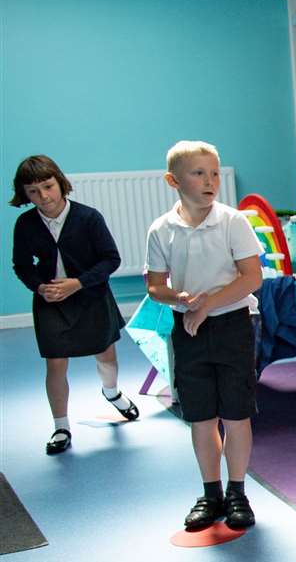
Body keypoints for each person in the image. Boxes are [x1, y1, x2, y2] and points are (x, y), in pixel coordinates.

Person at [143, 142, 264, 533]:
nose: (210, 181)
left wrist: (206, 304)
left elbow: (251, 278)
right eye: (198, 173)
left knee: (236, 413)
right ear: (173, 181)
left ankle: (237, 491)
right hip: (189, 329)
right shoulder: (161, 230)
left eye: (214, 173)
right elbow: (155, 287)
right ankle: (210, 494)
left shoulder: (232, 222)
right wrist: (180, 299)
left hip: (232, 325)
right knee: (201, 416)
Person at [10, 154, 141, 455]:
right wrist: (39, 287)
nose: (43, 196)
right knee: (55, 364)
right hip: (51, 302)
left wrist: (78, 283)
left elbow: (111, 259)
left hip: (91, 296)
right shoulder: (25, 224)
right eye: (33, 191)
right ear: (24, 194)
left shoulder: (89, 217)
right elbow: (21, 264)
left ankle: (112, 392)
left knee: (106, 353)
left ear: (60, 182)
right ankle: (61, 426)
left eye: (48, 186)